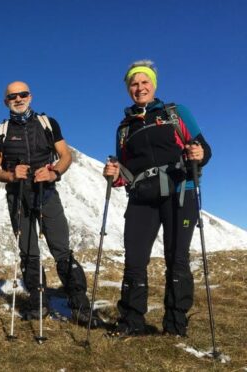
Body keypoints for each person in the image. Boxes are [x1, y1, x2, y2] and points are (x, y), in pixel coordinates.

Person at [103, 60, 211, 337]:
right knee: (135, 259)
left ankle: (176, 325)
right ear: (129, 89)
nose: (139, 88)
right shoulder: (124, 128)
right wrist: (114, 174)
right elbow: (125, 172)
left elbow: (203, 148)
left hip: (179, 191)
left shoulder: (175, 113)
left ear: (153, 85)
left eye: (144, 82)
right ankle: (131, 322)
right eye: (134, 84)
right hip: (141, 197)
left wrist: (199, 155)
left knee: (177, 258)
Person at [0, 81, 93, 323]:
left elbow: (66, 155)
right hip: (17, 196)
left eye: (22, 94)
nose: (18, 99)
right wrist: (12, 175)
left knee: (61, 250)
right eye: (12, 96)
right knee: (28, 252)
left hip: (46, 193)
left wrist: (54, 172)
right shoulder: (0, 133)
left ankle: (80, 305)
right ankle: (38, 303)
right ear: (6, 102)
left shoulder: (47, 124)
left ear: (30, 97)